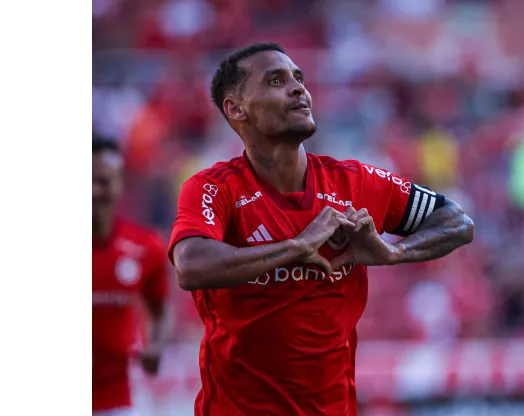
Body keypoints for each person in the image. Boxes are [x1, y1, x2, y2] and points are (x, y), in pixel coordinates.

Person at [169, 42, 475, 416]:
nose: (298, 88)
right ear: (236, 108)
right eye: (276, 80)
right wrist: (297, 246)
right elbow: (191, 265)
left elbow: (457, 222)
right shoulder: (214, 188)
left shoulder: (355, 182)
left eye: (299, 78)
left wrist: (396, 252)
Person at [93, 137, 170, 416]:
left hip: (121, 401)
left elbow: (160, 310)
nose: (93, 191)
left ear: (119, 184)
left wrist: (156, 346)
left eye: (102, 181)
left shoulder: (145, 246)